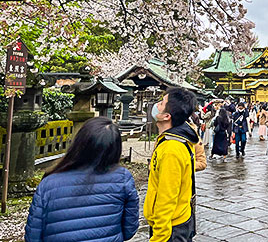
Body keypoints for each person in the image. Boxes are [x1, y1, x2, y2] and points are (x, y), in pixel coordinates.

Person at [25, 117, 139, 242]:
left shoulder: (49, 182)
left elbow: (33, 235)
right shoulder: (122, 178)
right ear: (115, 148)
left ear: (79, 143)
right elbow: (129, 229)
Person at [145, 87, 207, 242]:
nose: (156, 105)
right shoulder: (173, 139)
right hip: (179, 220)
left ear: (166, 116)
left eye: (161, 103)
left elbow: (166, 198)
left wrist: (159, 235)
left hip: (171, 228)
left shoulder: (171, 149)